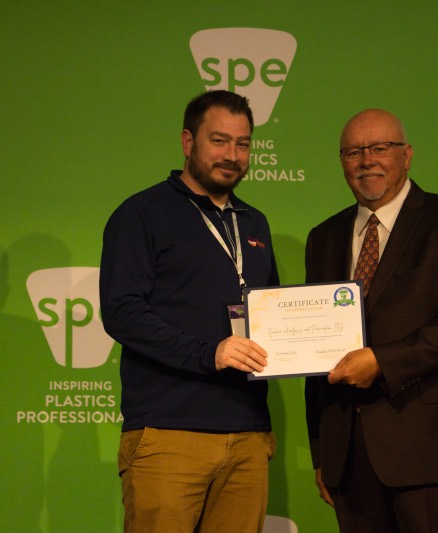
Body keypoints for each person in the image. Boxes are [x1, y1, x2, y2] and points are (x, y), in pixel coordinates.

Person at [304, 109, 438, 532]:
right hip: (350, 460)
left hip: (434, 453)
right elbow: (316, 350)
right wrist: (324, 452)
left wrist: (381, 361)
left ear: (406, 155)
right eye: (353, 152)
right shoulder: (324, 237)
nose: (366, 161)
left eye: (379, 148)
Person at [100, 90, 278, 533]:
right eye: (219, 141)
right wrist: (208, 353)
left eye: (243, 143)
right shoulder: (142, 214)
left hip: (248, 433)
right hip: (169, 432)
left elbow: (271, 314)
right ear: (187, 142)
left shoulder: (254, 222)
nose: (232, 155)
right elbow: (122, 311)